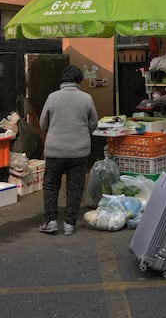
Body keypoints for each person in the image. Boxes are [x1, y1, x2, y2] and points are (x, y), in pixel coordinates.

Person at [38, 65, 98, 235]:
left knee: (50, 185)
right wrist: (83, 131)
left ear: (63, 79)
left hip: (55, 150)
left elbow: (43, 123)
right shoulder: (86, 98)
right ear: (79, 80)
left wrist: (55, 131)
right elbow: (94, 123)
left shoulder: (52, 97)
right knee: (75, 187)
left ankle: (50, 222)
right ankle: (69, 224)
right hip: (79, 151)